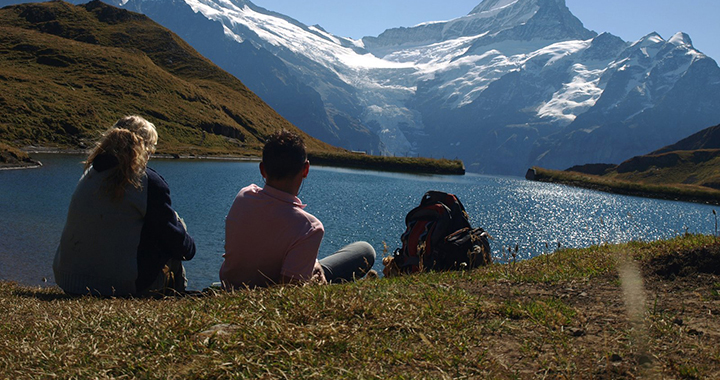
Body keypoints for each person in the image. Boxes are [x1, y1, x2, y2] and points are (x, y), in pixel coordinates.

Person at [53, 116, 196, 296]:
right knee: (176, 225)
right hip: (115, 287)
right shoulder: (145, 181)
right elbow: (174, 239)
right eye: (152, 148)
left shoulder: (91, 173)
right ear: (144, 148)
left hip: (70, 282)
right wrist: (190, 247)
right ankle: (177, 299)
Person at [220, 130, 375, 289]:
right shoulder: (309, 228)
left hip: (230, 288)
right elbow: (290, 291)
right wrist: (315, 273)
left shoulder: (244, 195)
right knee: (365, 250)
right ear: (305, 169)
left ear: (262, 169)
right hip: (267, 298)